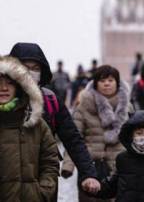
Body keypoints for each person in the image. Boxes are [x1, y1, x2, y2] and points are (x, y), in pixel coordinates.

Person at [9, 42, 100, 195]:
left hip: (43, 180)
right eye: (25, 67)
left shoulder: (51, 100)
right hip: (8, 181)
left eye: (35, 68)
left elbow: (73, 139)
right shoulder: (3, 100)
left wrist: (88, 173)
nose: (30, 72)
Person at [62, 65, 131, 202]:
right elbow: (74, 138)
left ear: (117, 83)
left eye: (110, 80)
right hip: (90, 167)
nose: (106, 83)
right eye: (102, 80)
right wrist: (68, 166)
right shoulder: (83, 106)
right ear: (95, 83)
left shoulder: (127, 107)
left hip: (119, 167)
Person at [0, 56, 58, 202]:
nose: (4, 88)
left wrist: (42, 192)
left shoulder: (35, 123)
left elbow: (50, 162)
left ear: (19, 86)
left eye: (10, 83)